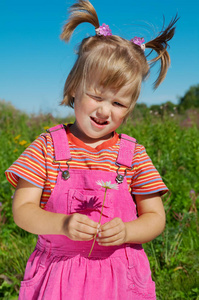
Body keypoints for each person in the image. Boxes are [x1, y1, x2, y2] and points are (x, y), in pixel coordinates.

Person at [5, 1, 178, 299]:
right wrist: (62, 223)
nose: (104, 110)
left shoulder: (133, 155)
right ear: (74, 88)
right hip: (59, 277)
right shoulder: (46, 147)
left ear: (130, 108)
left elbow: (154, 217)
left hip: (120, 276)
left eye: (118, 103)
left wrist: (127, 231)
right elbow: (22, 211)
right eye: (96, 96)